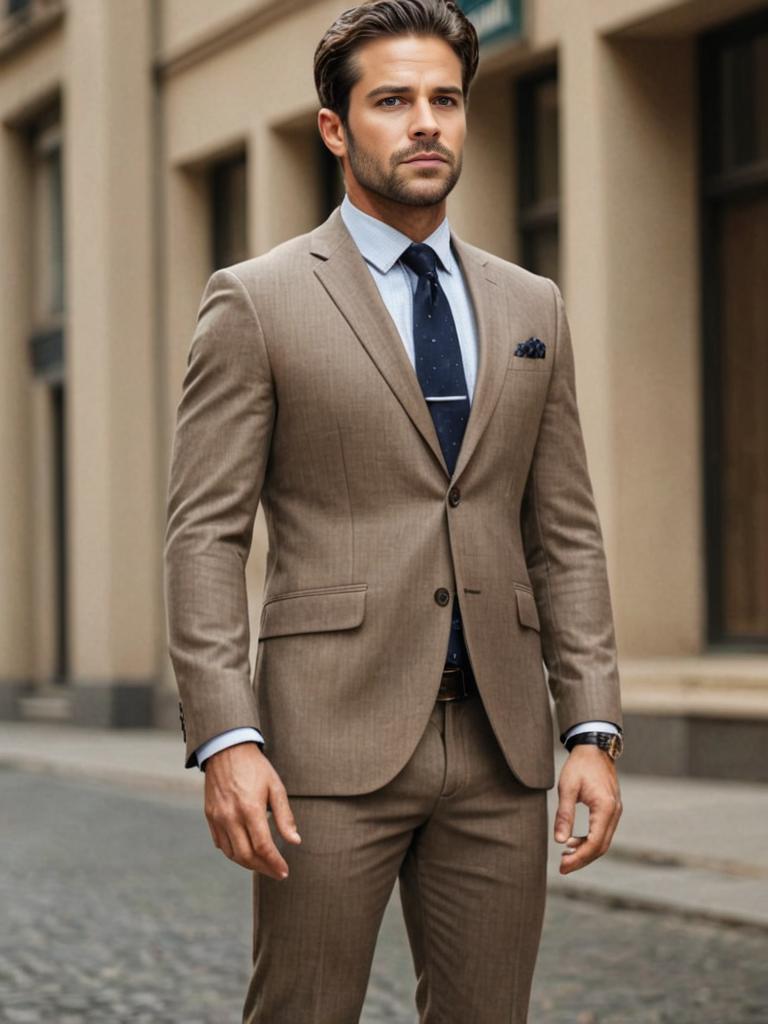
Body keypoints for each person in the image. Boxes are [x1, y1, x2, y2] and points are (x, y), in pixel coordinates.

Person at [163, 2, 624, 1021]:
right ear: (336, 127)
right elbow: (205, 532)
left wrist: (590, 726)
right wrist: (226, 737)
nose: (427, 122)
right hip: (323, 743)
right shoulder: (259, 299)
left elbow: (566, 530)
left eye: (445, 100)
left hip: (505, 746)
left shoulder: (530, 305)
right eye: (394, 101)